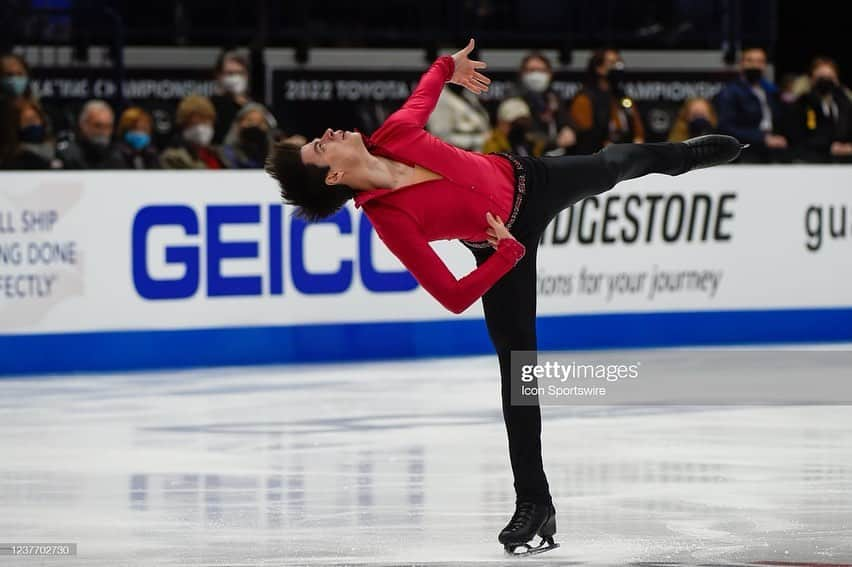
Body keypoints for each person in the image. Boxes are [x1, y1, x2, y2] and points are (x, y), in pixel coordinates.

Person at [264, 39, 745, 556]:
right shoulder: (389, 219)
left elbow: (426, 89)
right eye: (320, 146)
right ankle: (534, 503)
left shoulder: (393, 134)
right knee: (519, 372)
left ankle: (685, 155)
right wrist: (504, 257)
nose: (328, 133)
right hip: (499, 247)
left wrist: (451, 65)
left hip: (528, 180)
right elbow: (450, 296)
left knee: (611, 165)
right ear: (334, 175)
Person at [714, 47, 788, 163]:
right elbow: (726, 128)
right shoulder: (730, 92)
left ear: (764, 65)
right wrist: (762, 138)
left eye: (760, 61)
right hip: (744, 152)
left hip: (773, 151)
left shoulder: (771, 92)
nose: (755, 65)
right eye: (750, 61)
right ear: (741, 64)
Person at [569, 48, 644, 154]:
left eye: (619, 62)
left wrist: (638, 139)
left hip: (626, 154)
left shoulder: (622, 97)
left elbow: (636, 125)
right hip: (597, 157)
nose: (618, 67)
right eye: (612, 63)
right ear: (599, 68)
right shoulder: (585, 97)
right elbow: (584, 135)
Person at [506, 51, 576, 156]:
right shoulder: (514, 100)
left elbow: (565, 119)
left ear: (549, 73)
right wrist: (554, 142)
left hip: (556, 158)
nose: (536, 75)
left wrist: (569, 128)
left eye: (541, 70)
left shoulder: (552, 96)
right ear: (522, 74)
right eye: (531, 70)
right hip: (527, 160)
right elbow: (524, 136)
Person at [789, 57, 852, 163]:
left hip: (845, 163)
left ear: (836, 80)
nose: (826, 81)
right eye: (821, 77)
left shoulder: (844, 104)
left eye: (830, 77)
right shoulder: (803, 104)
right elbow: (801, 136)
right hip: (812, 162)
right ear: (812, 79)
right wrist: (830, 146)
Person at [56, 99, 125, 170]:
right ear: (83, 125)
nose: (103, 131)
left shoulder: (118, 156)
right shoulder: (66, 156)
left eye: (108, 126)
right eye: (98, 126)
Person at [160, 95, 224, 169]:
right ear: (184, 123)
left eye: (208, 120)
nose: (204, 126)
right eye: (199, 120)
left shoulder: (217, 155)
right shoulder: (172, 158)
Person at [426, 83, 491, 151]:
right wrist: (482, 140)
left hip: (478, 153)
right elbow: (442, 138)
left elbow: (481, 123)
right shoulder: (439, 98)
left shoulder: (467, 93)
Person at [0, 99, 60, 169]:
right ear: (17, 126)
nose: (33, 124)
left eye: (35, 119)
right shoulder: (13, 161)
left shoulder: (58, 151)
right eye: (27, 121)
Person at [210, 49, 253, 145]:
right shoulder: (210, 107)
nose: (235, 78)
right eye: (230, 73)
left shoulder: (256, 109)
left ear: (247, 76)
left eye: (240, 73)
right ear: (218, 76)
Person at [220, 102, 276, 169]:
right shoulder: (226, 153)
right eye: (249, 121)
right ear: (238, 124)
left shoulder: (275, 155)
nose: (255, 125)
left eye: (260, 122)